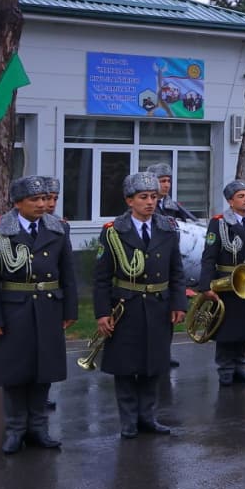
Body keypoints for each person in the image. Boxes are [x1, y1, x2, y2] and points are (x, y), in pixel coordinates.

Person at [0, 175, 77, 454]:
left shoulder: (58, 229)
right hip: (13, 311)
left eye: (44, 198)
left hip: (48, 308)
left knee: (44, 370)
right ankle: (15, 429)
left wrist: (70, 310)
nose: (42, 204)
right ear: (18, 203)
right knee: (15, 372)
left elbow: (68, 273)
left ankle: (39, 428)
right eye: (35, 200)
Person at [92, 171, 184, 439]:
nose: (150, 202)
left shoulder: (167, 228)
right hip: (126, 307)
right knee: (126, 366)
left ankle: (148, 416)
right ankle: (128, 420)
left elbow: (176, 271)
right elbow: (101, 277)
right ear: (129, 200)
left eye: (153, 197)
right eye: (143, 197)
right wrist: (102, 313)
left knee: (153, 364)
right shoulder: (114, 231)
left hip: (158, 306)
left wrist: (178, 303)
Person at [190, 179, 245, 387]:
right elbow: (209, 257)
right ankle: (225, 368)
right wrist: (206, 286)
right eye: (240, 196)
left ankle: (240, 365)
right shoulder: (219, 223)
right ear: (230, 201)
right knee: (227, 327)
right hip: (226, 283)